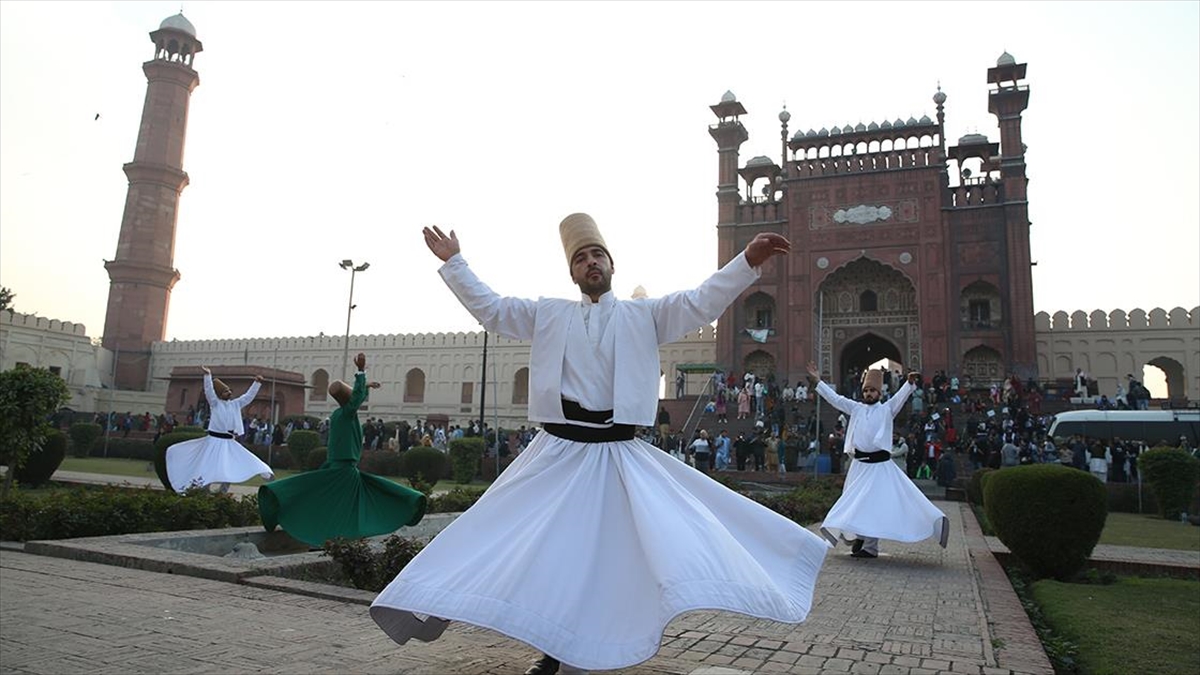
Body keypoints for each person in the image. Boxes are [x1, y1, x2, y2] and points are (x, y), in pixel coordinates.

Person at [370, 215, 829, 675]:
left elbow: (700, 302)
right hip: (558, 453)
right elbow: (493, 309)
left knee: (608, 558)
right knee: (519, 541)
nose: (591, 263)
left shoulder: (645, 315)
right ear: (572, 272)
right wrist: (455, 263)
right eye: (581, 258)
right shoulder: (549, 313)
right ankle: (544, 643)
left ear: (612, 264)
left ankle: (581, 648)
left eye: (597, 255)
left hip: (616, 455)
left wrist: (746, 260)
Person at [257, 353, 427, 547]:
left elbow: (356, 398)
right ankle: (341, 540)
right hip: (344, 471)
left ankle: (335, 538)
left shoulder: (338, 414)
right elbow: (355, 400)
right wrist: (361, 371)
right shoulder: (347, 413)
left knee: (331, 504)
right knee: (354, 505)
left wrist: (366, 386)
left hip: (337, 466)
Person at [808, 361, 949, 559]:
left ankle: (870, 547)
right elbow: (836, 399)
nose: (868, 394)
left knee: (872, 505)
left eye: (872, 391)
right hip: (858, 466)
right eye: (866, 390)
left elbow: (900, 398)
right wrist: (818, 381)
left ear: (879, 393)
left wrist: (908, 384)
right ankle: (860, 538)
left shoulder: (886, 410)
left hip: (878, 467)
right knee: (854, 503)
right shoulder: (856, 408)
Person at [164, 367, 274, 493]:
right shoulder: (215, 403)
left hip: (228, 442)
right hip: (213, 441)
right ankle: (205, 488)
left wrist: (257, 383)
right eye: (225, 391)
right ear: (220, 394)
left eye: (229, 390)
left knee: (230, 465)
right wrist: (207, 375)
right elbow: (208, 391)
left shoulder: (235, 404)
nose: (229, 393)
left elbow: (248, 397)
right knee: (208, 465)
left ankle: (225, 489)